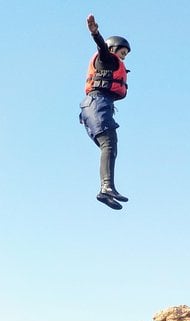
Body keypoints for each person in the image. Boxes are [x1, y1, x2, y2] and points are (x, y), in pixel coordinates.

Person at [79, 14, 131, 210]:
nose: (123, 57)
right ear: (112, 50)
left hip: (99, 105)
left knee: (111, 146)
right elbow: (102, 48)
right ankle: (106, 188)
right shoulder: (106, 58)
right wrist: (95, 33)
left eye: (125, 55)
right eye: (122, 52)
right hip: (97, 104)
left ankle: (107, 188)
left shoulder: (112, 63)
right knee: (108, 144)